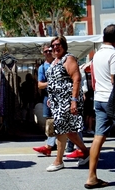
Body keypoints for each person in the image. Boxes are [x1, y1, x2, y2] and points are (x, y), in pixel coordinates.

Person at [45, 35, 89, 172]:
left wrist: (74, 101)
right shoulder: (54, 62)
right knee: (67, 130)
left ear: (64, 45)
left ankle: (59, 161)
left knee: (63, 130)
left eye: (58, 44)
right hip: (57, 101)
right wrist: (50, 97)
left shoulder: (68, 59)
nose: (55, 47)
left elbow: (76, 79)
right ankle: (86, 152)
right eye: (53, 45)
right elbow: (53, 82)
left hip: (68, 100)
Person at [84, 24, 115, 189]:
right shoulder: (113, 54)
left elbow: (94, 80)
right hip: (112, 99)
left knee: (98, 137)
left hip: (99, 99)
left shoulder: (96, 55)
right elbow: (114, 80)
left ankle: (92, 177)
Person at [33, 43, 57, 156]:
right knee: (50, 121)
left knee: (62, 120)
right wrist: (50, 83)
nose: (48, 53)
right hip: (48, 97)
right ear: (43, 53)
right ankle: (50, 145)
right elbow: (40, 85)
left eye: (50, 50)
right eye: (46, 51)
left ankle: (74, 145)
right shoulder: (42, 67)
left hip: (60, 96)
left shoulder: (59, 63)